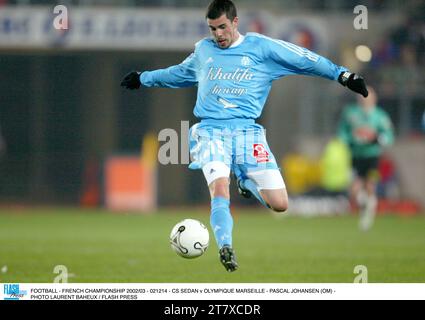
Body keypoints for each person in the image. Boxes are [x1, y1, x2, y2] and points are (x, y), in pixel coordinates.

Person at [121, 0, 368, 272]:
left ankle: (247, 186)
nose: (218, 34)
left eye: (223, 27)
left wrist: (342, 75)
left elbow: (304, 59)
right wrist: (144, 78)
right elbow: (179, 74)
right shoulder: (204, 51)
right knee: (219, 188)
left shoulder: (261, 48)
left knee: (280, 204)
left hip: (249, 134)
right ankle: (225, 246)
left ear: (235, 22)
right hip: (210, 131)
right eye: (213, 29)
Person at [338, 86, 394, 231]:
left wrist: (377, 139)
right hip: (356, 156)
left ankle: (367, 216)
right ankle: (366, 205)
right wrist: (349, 139)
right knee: (355, 190)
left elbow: (388, 136)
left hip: (372, 156)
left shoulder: (380, 116)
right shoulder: (350, 113)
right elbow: (343, 131)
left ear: (374, 98)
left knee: (370, 185)